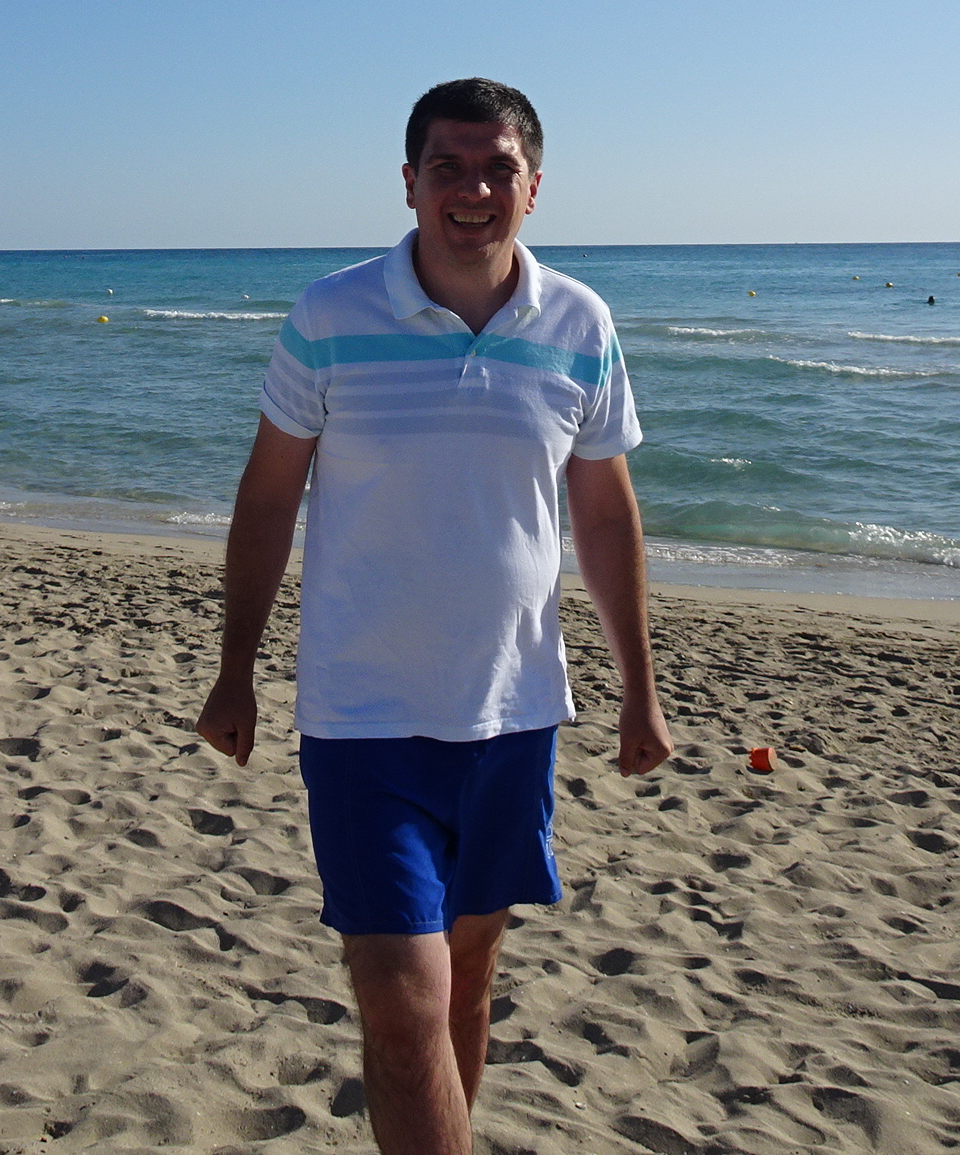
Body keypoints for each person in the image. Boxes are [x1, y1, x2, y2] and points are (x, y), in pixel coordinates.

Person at [195, 79, 671, 1155]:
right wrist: (236, 670)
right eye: (448, 167)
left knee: (464, 982)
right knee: (400, 998)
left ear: (534, 188)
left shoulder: (580, 324)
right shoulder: (330, 316)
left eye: (499, 169)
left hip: (514, 713)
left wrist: (639, 690)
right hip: (363, 717)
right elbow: (268, 499)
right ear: (409, 183)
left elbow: (604, 517)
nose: (474, 190)